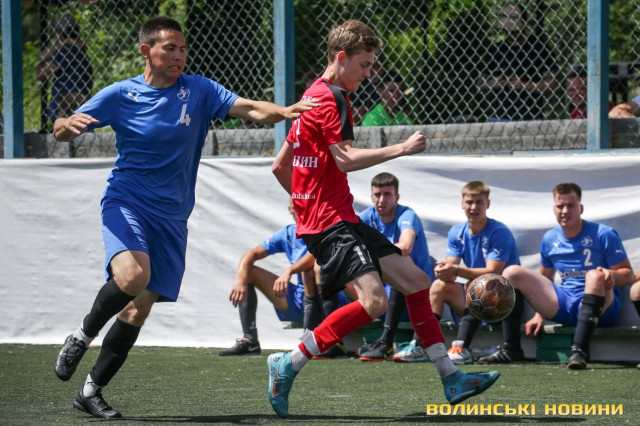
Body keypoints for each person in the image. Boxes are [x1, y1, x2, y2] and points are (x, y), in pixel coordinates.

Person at [51, 17, 316, 419]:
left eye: (182, 48)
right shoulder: (121, 94)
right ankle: (81, 336)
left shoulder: (199, 90)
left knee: (137, 310)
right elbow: (60, 128)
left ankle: (90, 391)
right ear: (147, 51)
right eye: (169, 48)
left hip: (173, 219)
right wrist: (65, 126)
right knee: (132, 276)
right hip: (127, 202)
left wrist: (285, 111)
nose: (179, 56)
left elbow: (248, 108)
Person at [268, 19, 500, 418]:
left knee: (417, 282)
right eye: (365, 64)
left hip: (335, 219)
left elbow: (279, 166)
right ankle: (289, 362)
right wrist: (402, 148)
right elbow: (344, 159)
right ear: (342, 58)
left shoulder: (310, 95)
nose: (368, 74)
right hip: (331, 224)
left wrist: (304, 205)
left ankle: (451, 377)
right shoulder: (333, 98)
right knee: (374, 302)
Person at [478, 183, 635, 369]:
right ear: (554, 209)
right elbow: (545, 280)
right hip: (566, 303)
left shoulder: (603, 233)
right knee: (511, 272)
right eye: (560, 206)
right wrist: (538, 315)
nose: (565, 211)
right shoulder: (550, 238)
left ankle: (578, 350)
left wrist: (611, 275)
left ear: (581, 208)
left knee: (594, 275)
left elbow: (629, 275)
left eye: (571, 206)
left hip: (602, 307)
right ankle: (511, 349)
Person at [429, 181, 522, 365]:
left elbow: (493, 271)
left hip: (504, 304)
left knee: (486, 285)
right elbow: (451, 269)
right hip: (478, 300)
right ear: (462, 204)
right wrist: (443, 270)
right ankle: (422, 345)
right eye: (469, 202)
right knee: (440, 285)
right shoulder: (457, 232)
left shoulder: (500, 232)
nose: (474, 207)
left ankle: (460, 347)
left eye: (479, 202)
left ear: (488, 204)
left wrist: (455, 270)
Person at [220, 199, 321, 356]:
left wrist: (289, 270)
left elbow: (315, 257)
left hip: (326, 299)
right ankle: (250, 341)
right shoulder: (288, 233)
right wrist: (240, 280)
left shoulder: (323, 229)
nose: (301, 210)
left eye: (305, 206)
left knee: (309, 271)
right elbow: (251, 254)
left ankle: (318, 337)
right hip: (300, 300)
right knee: (248, 273)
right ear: (290, 209)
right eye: (296, 206)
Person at [356, 172, 434, 362]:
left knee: (401, 263)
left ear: (396, 197)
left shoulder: (407, 215)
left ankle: (385, 343)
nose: (381, 199)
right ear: (371, 196)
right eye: (377, 194)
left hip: (413, 299)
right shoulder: (367, 216)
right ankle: (330, 341)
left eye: (387, 194)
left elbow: (405, 247)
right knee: (324, 268)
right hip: (381, 299)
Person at [476, 3, 558, 121]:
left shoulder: (540, 48)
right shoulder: (495, 50)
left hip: (530, 117)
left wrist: (525, 85)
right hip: (499, 117)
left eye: (514, 30)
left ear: (524, 24)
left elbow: (553, 84)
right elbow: (479, 84)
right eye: (507, 30)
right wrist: (492, 83)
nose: (510, 33)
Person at [37, 15, 94, 128]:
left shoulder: (67, 51)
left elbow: (41, 74)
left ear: (58, 32)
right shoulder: (76, 49)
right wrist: (66, 42)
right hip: (80, 107)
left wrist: (63, 44)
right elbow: (41, 56)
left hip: (65, 108)